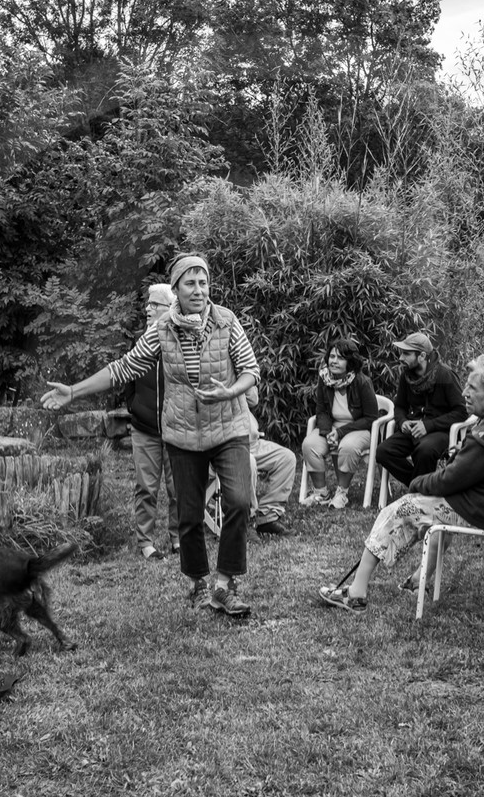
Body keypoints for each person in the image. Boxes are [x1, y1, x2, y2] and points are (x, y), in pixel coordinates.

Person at [43, 253, 261, 617]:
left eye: (203, 282)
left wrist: (230, 391)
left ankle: (224, 585)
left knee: (238, 500)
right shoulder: (162, 329)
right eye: (190, 283)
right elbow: (123, 368)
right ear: (175, 289)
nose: (199, 290)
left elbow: (251, 370)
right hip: (182, 433)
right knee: (189, 516)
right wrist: (74, 391)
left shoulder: (227, 321)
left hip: (229, 426)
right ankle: (198, 581)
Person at [315, 355, 484, 612]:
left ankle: (356, 592)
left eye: (472, 388)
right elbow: (475, 470)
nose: (464, 392)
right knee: (432, 511)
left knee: (400, 509)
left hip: (483, 511)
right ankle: (419, 580)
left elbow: (448, 481)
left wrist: (417, 482)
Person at [121, 283, 178, 560]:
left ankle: (179, 538)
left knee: (178, 487)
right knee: (146, 487)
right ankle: (146, 543)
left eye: (154, 305)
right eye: (148, 304)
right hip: (144, 429)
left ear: (170, 309)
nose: (148, 308)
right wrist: (133, 407)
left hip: (175, 428)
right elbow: (127, 378)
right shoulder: (139, 343)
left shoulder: (179, 341)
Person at [374, 331, 467, 491]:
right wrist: (402, 422)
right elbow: (400, 406)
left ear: (422, 356)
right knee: (383, 451)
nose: (401, 358)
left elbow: (461, 412)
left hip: (440, 431)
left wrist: (428, 425)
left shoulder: (445, 375)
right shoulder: (406, 376)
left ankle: (418, 492)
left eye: (406, 354)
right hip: (413, 429)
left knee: (424, 451)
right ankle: (420, 487)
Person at [301, 339, 380, 509]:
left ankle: (342, 494)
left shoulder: (362, 382)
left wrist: (340, 432)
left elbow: (371, 418)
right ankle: (320, 493)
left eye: (340, 358)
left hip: (360, 428)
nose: (334, 361)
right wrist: (327, 431)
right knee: (310, 445)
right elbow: (321, 411)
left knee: (348, 447)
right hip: (333, 427)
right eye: (332, 356)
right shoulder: (324, 379)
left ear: (350, 362)